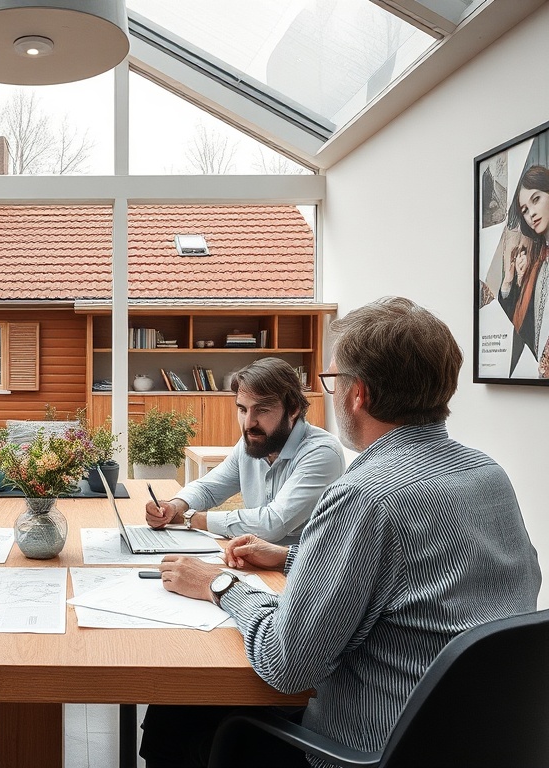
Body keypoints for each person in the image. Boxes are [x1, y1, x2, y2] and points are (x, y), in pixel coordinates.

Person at [141, 297, 541, 768]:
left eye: (333, 380)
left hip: (364, 753)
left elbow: (286, 664)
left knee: (175, 713)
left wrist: (217, 583)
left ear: (358, 394)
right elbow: (412, 584)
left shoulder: (365, 496)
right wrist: (291, 559)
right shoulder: (487, 473)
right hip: (475, 742)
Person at [144, 357, 345, 544]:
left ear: (293, 409)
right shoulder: (253, 442)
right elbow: (208, 488)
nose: (249, 423)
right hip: (255, 562)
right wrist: (174, 507)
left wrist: (190, 518)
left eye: (262, 410)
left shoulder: (322, 453)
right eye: (243, 409)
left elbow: (272, 524)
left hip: (300, 571)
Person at [505, 165, 549, 366]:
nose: (531, 213)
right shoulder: (535, 259)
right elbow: (521, 326)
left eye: (536, 199)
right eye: (524, 210)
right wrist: (515, 279)